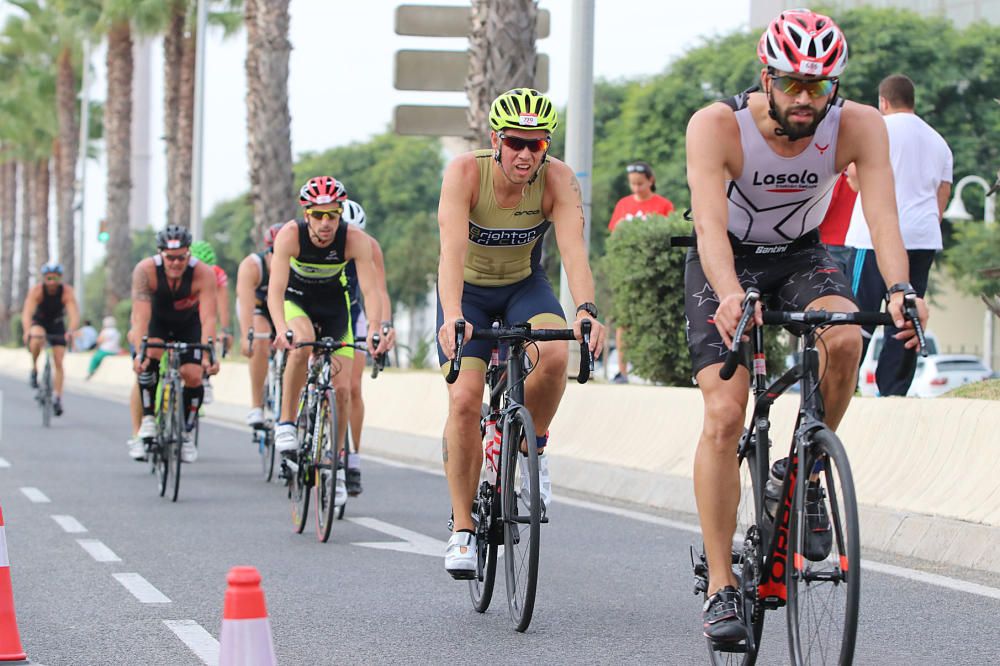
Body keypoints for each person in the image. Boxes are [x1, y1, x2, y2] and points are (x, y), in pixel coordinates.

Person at [684, 9, 928, 643]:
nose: (803, 98)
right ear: (766, 77)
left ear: (836, 87)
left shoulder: (859, 126)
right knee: (725, 415)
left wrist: (901, 289)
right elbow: (709, 225)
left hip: (801, 253)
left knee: (846, 335)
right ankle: (718, 585)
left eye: (818, 87)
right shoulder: (718, 126)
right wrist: (733, 294)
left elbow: (882, 219)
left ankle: (802, 471)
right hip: (726, 260)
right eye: (791, 83)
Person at [436, 87, 606, 579]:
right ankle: (463, 529)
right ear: (497, 141)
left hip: (524, 288)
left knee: (554, 354)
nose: (525, 154)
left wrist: (587, 310)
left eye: (536, 144)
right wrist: (451, 313)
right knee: (465, 401)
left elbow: (574, 251)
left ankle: (535, 444)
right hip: (467, 294)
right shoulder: (467, 173)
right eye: (515, 142)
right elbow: (450, 251)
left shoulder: (558, 181)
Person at [268, 176, 389, 508]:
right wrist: (280, 328)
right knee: (302, 343)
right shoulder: (290, 236)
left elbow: (371, 291)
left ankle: (336, 465)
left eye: (331, 216)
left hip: (336, 308)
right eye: (318, 215)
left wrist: (376, 328)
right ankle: (286, 423)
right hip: (297, 302)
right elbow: (275, 291)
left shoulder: (355, 240)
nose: (325, 223)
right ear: (306, 214)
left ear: (340, 215)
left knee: (344, 389)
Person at [844, 74, 952, 395]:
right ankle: (893, 393)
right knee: (906, 319)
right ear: (912, 101)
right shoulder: (938, 141)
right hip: (921, 239)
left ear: (883, 102)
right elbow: (942, 196)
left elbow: (853, 178)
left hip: (872, 239)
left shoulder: (878, 130)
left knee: (856, 317)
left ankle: (844, 386)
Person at [128, 225, 220, 463]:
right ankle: (148, 419)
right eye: (170, 258)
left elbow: (209, 317)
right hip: (156, 321)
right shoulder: (145, 270)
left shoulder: (203, 273)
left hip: (188, 325)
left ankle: (186, 433)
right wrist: (140, 351)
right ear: (160, 254)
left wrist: (209, 352)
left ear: (189, 254)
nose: (176, 263)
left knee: (193, 375)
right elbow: (140, 318)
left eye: (181, 257)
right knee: (151, 355)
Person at [340, 199, 395, 496]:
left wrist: (383, 326)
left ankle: (353, 458)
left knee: (352, 387)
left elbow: (379, 291)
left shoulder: (369, 246)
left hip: (353, 313)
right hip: (320, 311)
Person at [607, 160, 675, 383]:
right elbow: (614, 235)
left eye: (640, 183)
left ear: (650, 181)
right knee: (624, 322)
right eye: (633, 184)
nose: (636, 188)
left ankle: (657, 371)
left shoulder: (663, 205)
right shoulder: (623, 204)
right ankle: (622, 371)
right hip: (627, 271)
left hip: (652, 273)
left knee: (653, 320)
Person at [237, 223, 284, 428]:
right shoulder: (253, 266)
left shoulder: (297, 266)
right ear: (268, 250)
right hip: (258, 308)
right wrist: (247, 336)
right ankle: (257, 405)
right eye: (277, 252)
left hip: (283, 308)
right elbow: (246, 305)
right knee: (259, 337)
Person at [21, 262, 80, 416]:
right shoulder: (37, 291)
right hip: (39, 322)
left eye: (55, 278)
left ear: (60, 278)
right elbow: (27, 312)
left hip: (57, 324)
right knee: (36, 339)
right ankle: (34, 368)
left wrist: (71, 331)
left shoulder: (66, 292)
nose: (52, 282)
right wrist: (27, 331)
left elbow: (73, 314)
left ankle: (57, 397)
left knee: (59, 361)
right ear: (44, 278)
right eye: (48, 278)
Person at [189, 240, 231, 405]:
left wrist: (225, 330)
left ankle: (205, 377)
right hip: (187, 313)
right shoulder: (183, 271)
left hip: (205, 314)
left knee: (209, 327)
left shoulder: (216, 274)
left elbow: (222, 305)